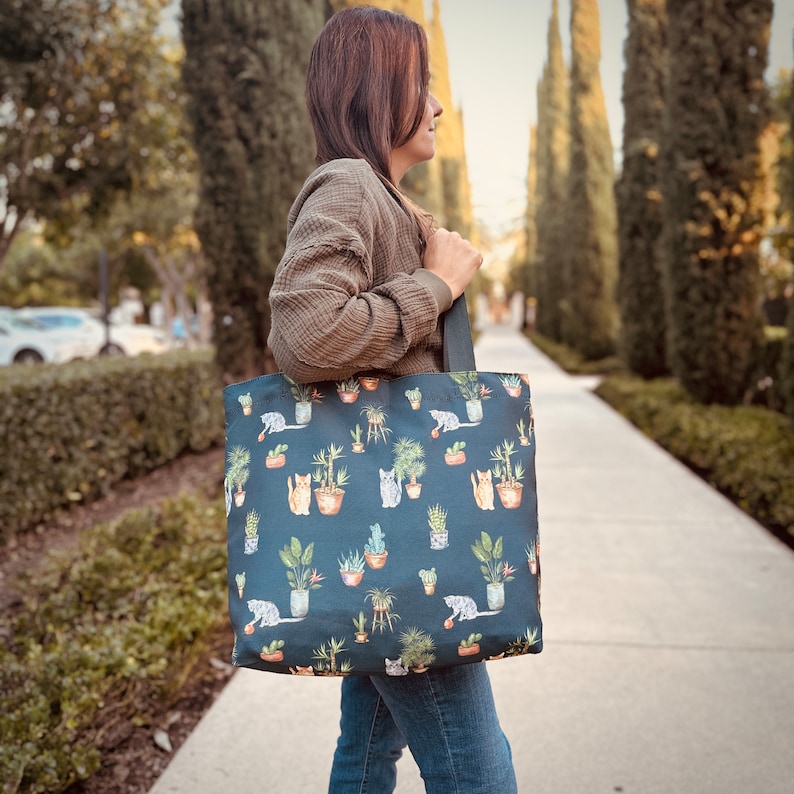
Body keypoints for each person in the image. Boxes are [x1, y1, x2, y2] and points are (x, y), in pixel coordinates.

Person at [268, 6, 518, 793]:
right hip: (403, 543)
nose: (438, 106)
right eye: (424, 84)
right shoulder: (347, 185)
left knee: (368, 748)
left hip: (385, 531)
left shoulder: (384, 199)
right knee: (475, 768)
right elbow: (307, 336)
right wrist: (436, 285)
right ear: (380, 90)